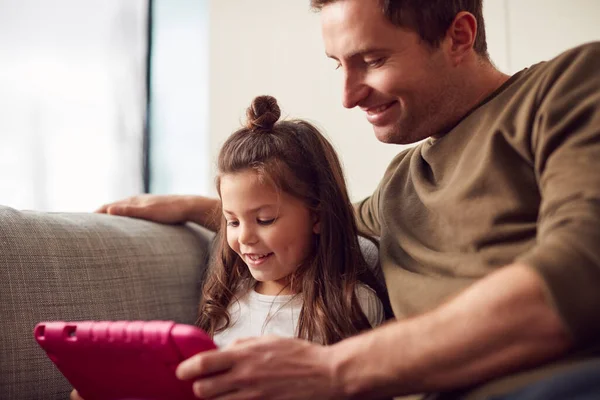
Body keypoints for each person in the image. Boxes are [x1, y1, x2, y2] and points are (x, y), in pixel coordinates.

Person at [96, 0, 600, 399]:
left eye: (373, 60)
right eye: (338, 64)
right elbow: (308, 217)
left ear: (459, 37)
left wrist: (332, 369)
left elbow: (580, 271)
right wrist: (198, 209)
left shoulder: (569, 86)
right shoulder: (401, 184)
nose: (347, 94)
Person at [70, 96, 386, 400]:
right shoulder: (230, 298)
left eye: (265, 219)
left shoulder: (353, 306)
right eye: (232, 221)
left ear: (316, 215)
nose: (244, 238)